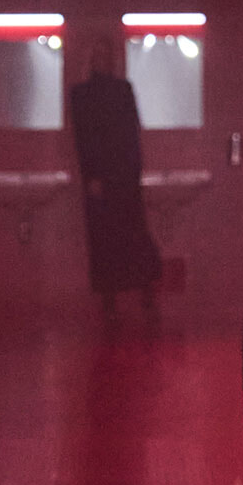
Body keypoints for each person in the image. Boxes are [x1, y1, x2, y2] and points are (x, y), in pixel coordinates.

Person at [70, 38, 162, 321]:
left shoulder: (82, 94)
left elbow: (84, 139)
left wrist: (93, 176)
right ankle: (138, 291)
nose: (104, 62)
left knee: (107, 237)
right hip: (120, 173)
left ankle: (113, 296)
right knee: (126, 233)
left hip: (111, 176)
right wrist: (132, 170)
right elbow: (128, 133)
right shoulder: (121, 90)